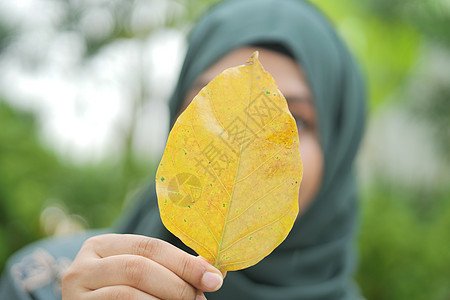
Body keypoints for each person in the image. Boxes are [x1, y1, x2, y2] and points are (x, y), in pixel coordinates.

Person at [0, 0, 366, 299]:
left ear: (339, 149)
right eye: (214, 108)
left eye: (294, 120)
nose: (245, 141)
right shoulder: (43, 282)